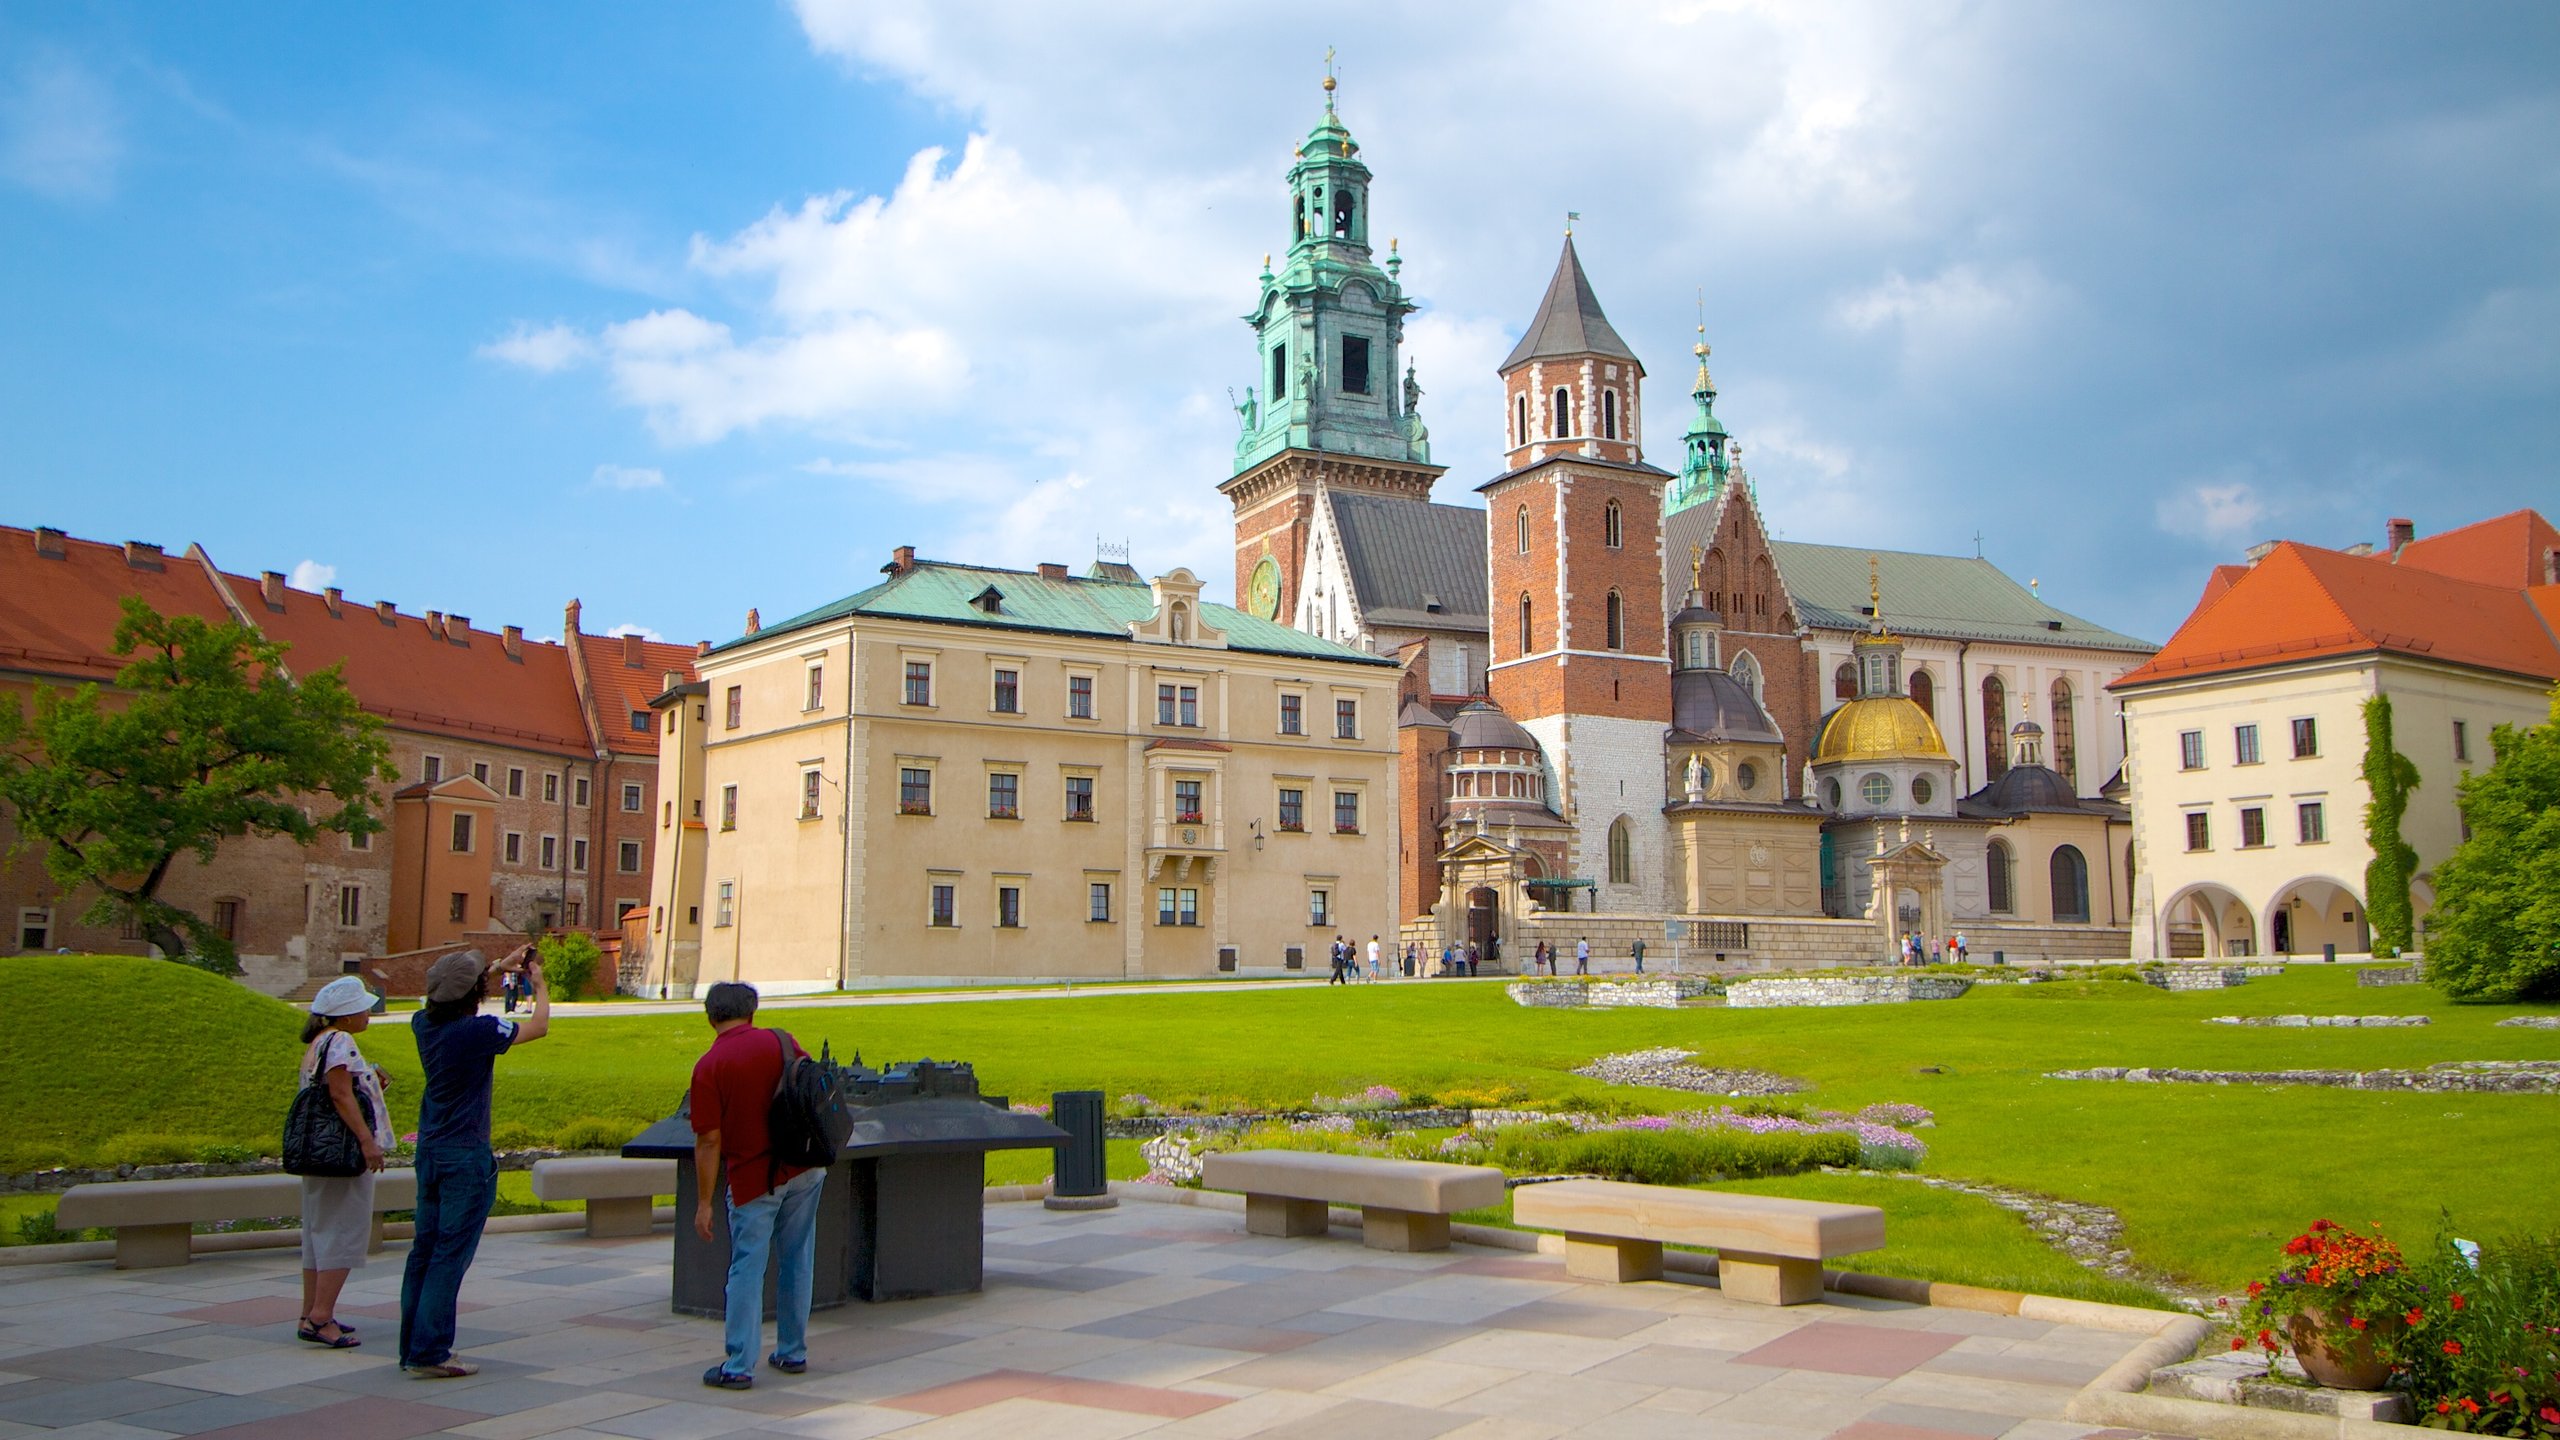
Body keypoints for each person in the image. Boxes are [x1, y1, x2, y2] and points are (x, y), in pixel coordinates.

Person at [400, 945, 547, 1379]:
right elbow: (538, 1028)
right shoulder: (476, 1032)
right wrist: (539, 986)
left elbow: (456, 992)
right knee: (450, 1254)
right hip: (465, 1156)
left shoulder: (422, 1024)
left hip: (429, 1151)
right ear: (472, 996)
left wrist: (499, 966)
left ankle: (413, 1345)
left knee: (423, 1252)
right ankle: (431, 1351)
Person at [692, 982, 825, 1390]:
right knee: (797, 1258)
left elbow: (709, 1140)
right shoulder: (782, 1041)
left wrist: (704, 1202)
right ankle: (792, 1351)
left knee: (748, 1266)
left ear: (711, 1016)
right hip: (804, 1165)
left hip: (754, 1179)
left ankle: (738, 1364)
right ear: (752, 1012)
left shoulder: (710, 1066)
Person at [296, 976, 390, 1350]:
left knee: (318, 1234)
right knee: (343, 1231)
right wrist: (367, 1141)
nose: (368, 1013)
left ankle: (312, 1312)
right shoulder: (341, 1042)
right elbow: (339, 1093)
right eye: (363, 1008)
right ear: (347, 1015)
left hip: (317, 1153)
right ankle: (321, 1316)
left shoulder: (319, 1042)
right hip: (341, 1153)